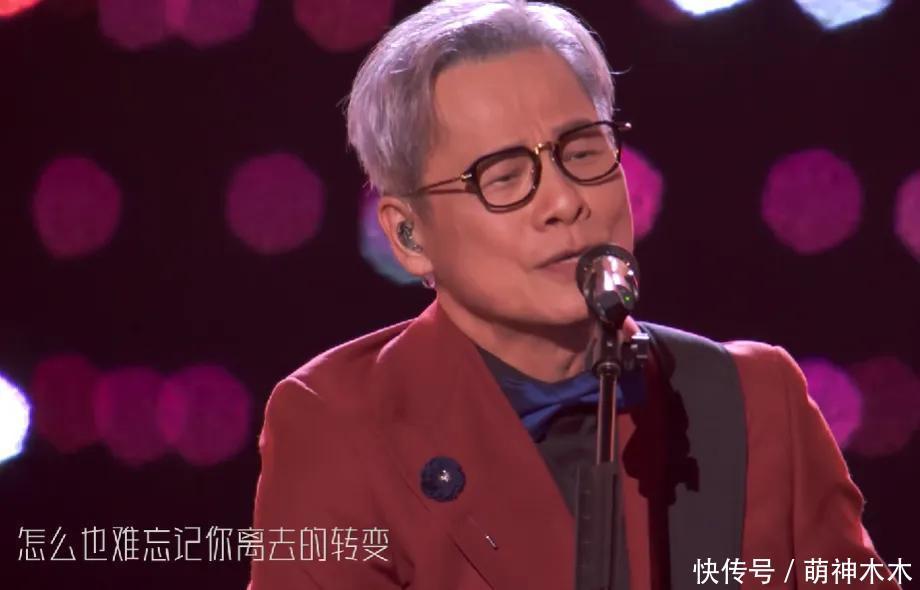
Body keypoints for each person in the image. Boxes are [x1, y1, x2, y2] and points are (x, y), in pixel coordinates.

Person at [249, 1, 899, 588]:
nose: (564, 201)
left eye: (583, 152)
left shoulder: (754, 399)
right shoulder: (340, 422)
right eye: (504, 176)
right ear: (409, 235)